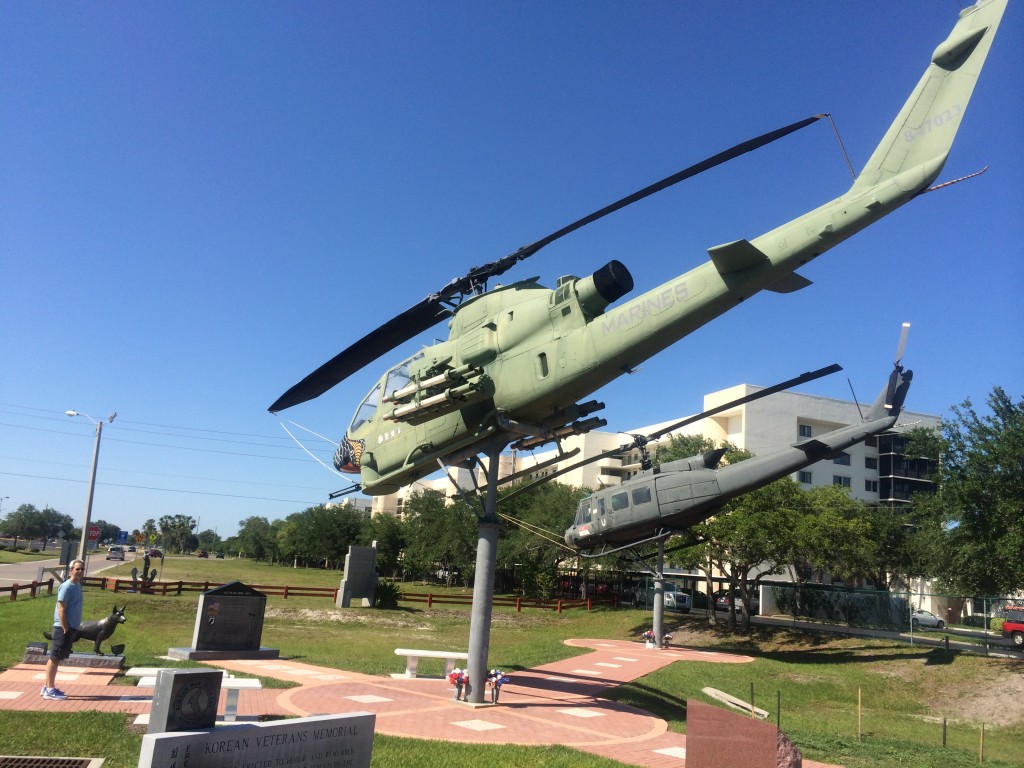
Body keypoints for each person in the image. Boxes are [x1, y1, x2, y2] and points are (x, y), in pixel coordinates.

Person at [42, 559, 85, 700]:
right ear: (71, 570)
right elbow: (61, 609)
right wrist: (65, 627)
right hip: (63, 628)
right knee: (55, 657)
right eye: (77, 569)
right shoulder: (67, 586)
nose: (79, 571)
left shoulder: (77, 585)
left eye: (82, 569)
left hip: (71, 627)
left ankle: (46, 686)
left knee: (57, 657)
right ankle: (50, 690)